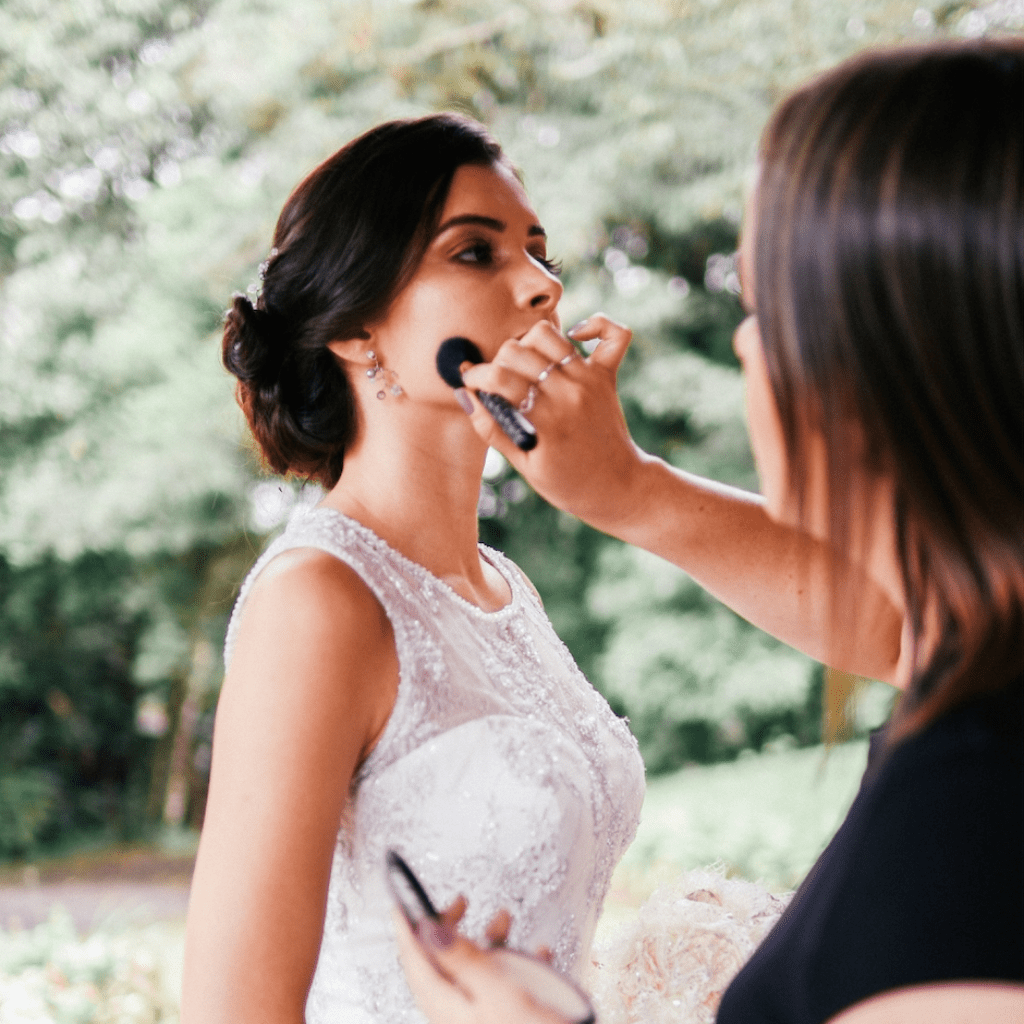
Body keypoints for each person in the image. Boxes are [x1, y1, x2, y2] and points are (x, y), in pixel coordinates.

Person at [393, 38, 1024, 1024]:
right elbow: (902, 628)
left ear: (887, 367)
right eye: (476, 249)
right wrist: (627, 490)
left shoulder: (966, 847)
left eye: (765, 307)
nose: (540, 288)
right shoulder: (980, 695)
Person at [180, 113, 646, 1023]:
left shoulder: (510, 591)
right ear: (356, 329)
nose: (542, 286)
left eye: (538, 251)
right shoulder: (317, 601)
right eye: (476, 254)